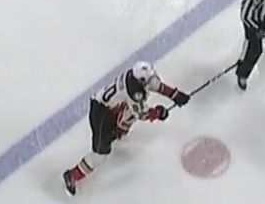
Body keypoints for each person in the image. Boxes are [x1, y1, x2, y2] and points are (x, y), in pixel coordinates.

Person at [63, 61, 189, 195]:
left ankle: (118, 130)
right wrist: (158, 112)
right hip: (101, 115)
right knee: (100, 155)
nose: (153, 80)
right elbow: (141, 113)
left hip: (108, 105)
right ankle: (72, 175)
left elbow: (154, 85)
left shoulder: (134, 76)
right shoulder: (134, 92)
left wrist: (174, 94)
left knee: (128, 115)